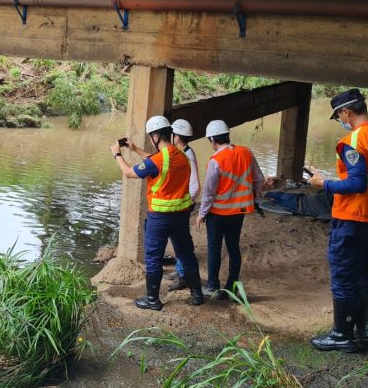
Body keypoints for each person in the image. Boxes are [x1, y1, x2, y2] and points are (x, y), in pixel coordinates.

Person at [308, 88, 368, 353]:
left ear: (346, 112)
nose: (341, 119)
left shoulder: (353, 140)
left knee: (342, 276)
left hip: (353, 219)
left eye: (339, 115)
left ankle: (341, 334)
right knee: (360, 270)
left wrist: (322, 183)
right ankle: (365, 327)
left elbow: (357, 183)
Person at [111, 115, 205, 310]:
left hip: (160, 218)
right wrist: (135, 149)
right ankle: (197, 295)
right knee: (186, 254)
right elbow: (155, 161)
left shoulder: (160, 160)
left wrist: (117, 154)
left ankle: (152, 300)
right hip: (181, 216)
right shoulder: (183, 156)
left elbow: (129, 173)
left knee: (153, 257)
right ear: (170, 134)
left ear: (154, 136)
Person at [196, 120, 264, 299]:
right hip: (239, 212)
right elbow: (259, 179)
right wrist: (255, 196)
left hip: (218, 214)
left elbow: (209, 192)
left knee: (214, 248)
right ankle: (232, 285)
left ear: (212, 139)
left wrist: (202, 214)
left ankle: (213, 286)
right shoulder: (246, 152)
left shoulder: (216, 161)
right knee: (234, 247)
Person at [163, 119, 199, 292]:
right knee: (177, 239)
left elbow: (195, 185)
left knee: (181, 241)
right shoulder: (182, 152)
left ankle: (183, 276)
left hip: (183, 206)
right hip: (181, 204)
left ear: (176, 137)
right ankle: (179, 271)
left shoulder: (187, 155)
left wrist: (185, 202)